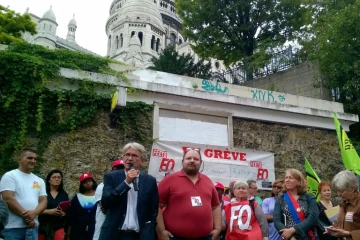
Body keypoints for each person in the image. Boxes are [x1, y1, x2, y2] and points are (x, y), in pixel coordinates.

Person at [157, 148, 222, 240]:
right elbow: (156, 205)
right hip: (175, 237)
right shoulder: (169, 180)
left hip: (205, 237)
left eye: (196, 159)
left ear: (200, 162)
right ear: (183, 161)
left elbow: (215, 206)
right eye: (189, 158)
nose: (192, 161)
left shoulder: (207, 181)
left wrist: (217, 228)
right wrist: (161, 231)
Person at [99, 142, 158, 240]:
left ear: (142, 161)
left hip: (139, 235)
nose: (130, 158)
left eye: (134, 155)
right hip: (114, 234)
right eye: (127, 154)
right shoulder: (111, 177)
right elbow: (106, 202)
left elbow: (153, 209)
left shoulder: (150, 181)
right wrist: (126, 182)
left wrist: (150, 228)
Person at [0, 148, 47, 240]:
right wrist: (28, 217)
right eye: (29, 158)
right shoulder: (10, 176)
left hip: (32, 227)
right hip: (12, 228)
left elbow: (43, 201)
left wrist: (35, 213)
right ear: (19, 159)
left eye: (35, 159)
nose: (33, 161)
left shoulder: (39, 180)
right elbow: (8, 199)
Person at [274, 169, 319, 240]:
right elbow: (277, 220)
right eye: (286, 177)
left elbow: (313, 218)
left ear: (299, 181)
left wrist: (293, 230)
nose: (287, 180)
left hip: (308, 236)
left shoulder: (309, 197)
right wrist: (290, 236)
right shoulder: (281, 198)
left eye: (291, 178)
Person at [93, 160, 124, 240]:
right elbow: (105, 208)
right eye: (117, 169)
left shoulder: (127, 187)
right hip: (104, 226)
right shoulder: (102, 186)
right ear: (111, 170)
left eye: (122, 169)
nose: (119, 171)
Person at [325, 170, 360, 239]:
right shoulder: (344, 203)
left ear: (352, 188)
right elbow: (346, 224)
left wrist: (348, 234)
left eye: (341, 191)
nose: (338, 194)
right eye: (337, 191)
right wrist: (335, 229)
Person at [38, 169, 69, 240]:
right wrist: (48, 211)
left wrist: (63, 213)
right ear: (49, 180)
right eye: (54, 177)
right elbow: (35, 208)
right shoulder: (43, 193)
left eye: (59, 177)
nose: (57, 179)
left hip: (58, 226)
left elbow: (68, 211)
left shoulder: (64, 194)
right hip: (43, 225)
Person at [67, 173, 97, 240]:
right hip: (79, 230)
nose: (88, 183)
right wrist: (69, 229)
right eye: (85, 182)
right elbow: (72, 215)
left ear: (93, 182)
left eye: (89, 181)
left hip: (95, 228)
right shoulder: (77, 197)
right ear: (82, 184)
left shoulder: (99, 195)